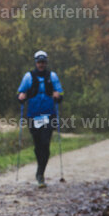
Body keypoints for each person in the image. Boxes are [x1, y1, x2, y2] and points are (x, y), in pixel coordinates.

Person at [16, 50, 63, 187]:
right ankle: (40, 167)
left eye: (43, 62)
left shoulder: (52, 76)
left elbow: (60, 94)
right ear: (35, 62)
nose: (41, 64)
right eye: (39, 62)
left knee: (45, 143)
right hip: (33, 116)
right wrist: (21, 97)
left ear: (46, 62)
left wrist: (58, 96)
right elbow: (20, 93)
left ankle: (40, 173)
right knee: (38, 146)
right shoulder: (28, 77)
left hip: (49, 115)